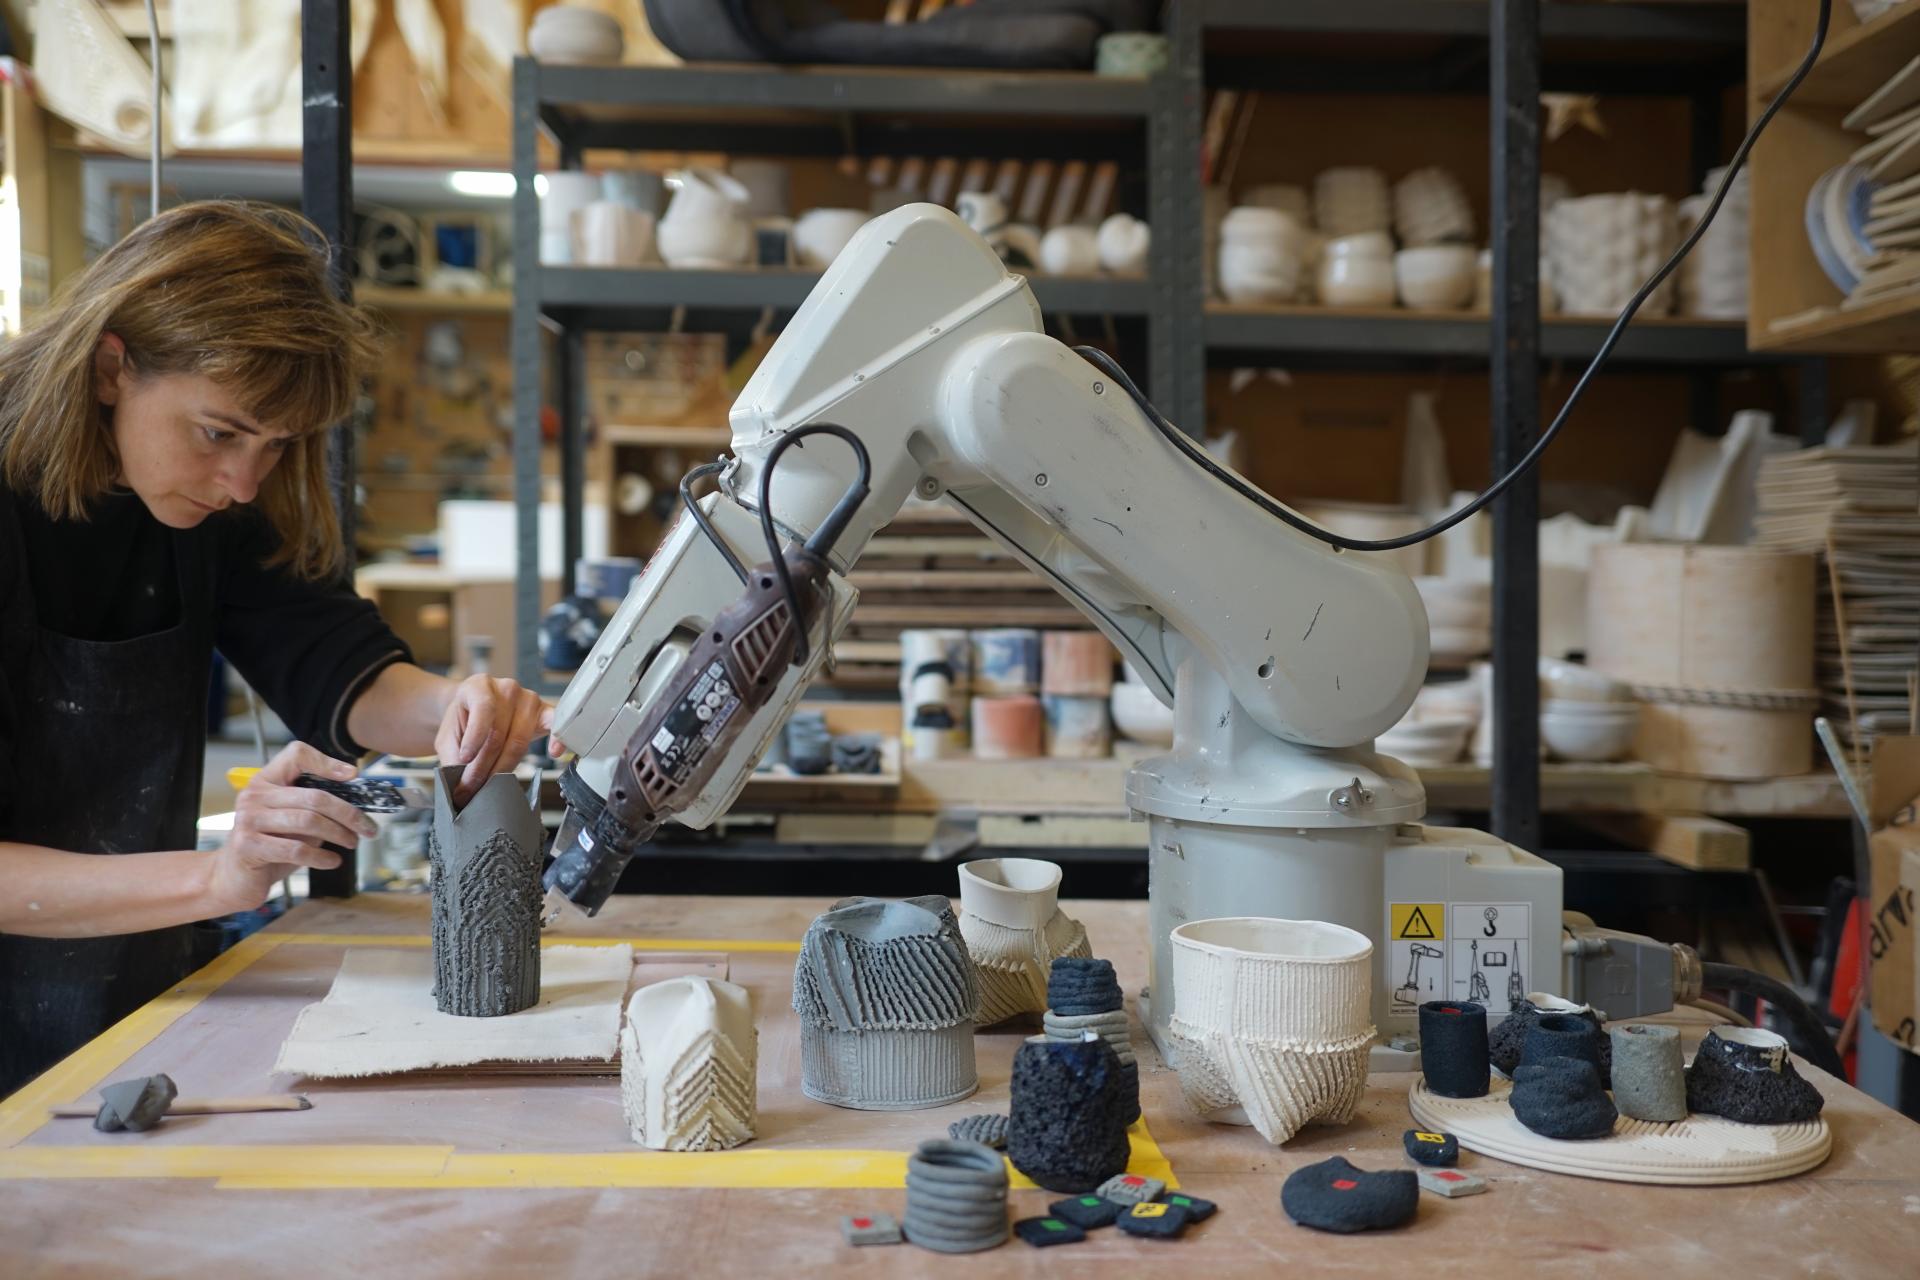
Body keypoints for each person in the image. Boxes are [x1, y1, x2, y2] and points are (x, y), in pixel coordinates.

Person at [0, 202, 549, 1095]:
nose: (244, 480)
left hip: (125, 988)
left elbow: (331, 656)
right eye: (219, 434)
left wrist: (458, 707)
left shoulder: (208, 495)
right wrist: (219, 877)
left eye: (277, 445)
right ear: (112, 367)